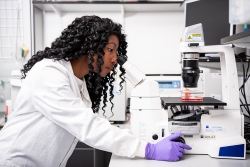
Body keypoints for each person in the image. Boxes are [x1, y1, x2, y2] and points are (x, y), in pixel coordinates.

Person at [0, 15, 191, 167]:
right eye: (110, 50)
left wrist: (148, 143)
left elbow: (93, 123)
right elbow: (88, 126)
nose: (115, 59)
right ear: (87, 45)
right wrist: (149, 149)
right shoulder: (49, 73)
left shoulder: (80, 82)